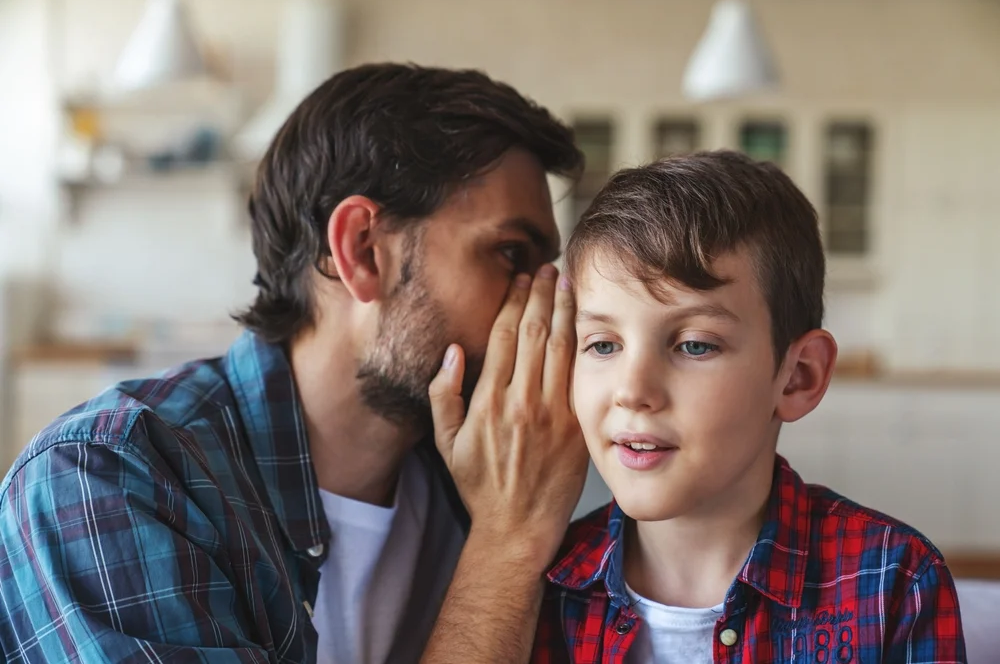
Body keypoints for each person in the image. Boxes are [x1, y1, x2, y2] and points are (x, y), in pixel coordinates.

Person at [0, 63, 592, 663]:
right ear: (361, 250)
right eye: (511, 254)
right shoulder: (109, 476)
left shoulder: (490, 475)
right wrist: (506, 544)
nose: (548, 308)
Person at [530, 151, 967, 663]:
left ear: (798, 377)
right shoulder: (538, 587)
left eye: (694, 345)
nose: (632, 390)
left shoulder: (898, 582)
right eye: (603, 345)